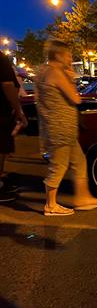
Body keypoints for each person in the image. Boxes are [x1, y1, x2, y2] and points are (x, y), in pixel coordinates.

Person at [35, 40, 97, 216]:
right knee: (58, 166)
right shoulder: (56, 73)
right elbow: (75, 99)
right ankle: (50, 205)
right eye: (68, 54)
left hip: (57, 126)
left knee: (79, 162)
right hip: (61, 128)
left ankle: (83, 198)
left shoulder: (43, 71)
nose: (70, 58)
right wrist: (71, 77)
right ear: (59, 55)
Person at [0, 52, 28, 202]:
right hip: (2, 111)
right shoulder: (1, 59)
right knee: (1, 147)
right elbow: (8, 84)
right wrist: (18, 110)